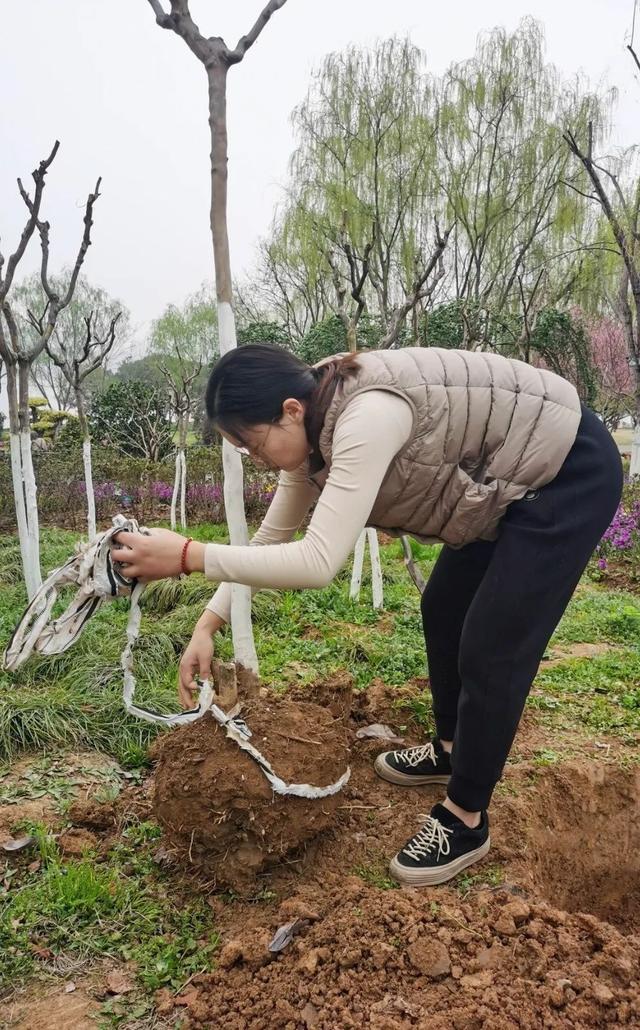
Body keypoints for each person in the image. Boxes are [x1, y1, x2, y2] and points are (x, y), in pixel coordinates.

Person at [111, 344, 623, 886]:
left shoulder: (366, 416)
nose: (257, 459)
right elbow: (273, 537)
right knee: (444, 606)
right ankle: (452, 750)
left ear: (289, 410)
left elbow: (316, 561)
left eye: (254, 444)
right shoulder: (313, 430)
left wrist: (188, 556)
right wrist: (207, 624)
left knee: (493, 646)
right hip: (496, 482)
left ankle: (466, 817)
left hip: (564, 470)